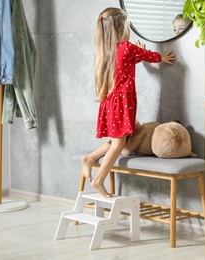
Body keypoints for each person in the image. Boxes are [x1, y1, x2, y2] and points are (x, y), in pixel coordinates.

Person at [81, 7, 176, 198]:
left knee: (120, 139)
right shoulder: (126, 47)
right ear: (121, 27)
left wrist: (139, 51)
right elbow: (148, 56)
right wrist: (162, 58)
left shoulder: (107, 51)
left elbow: (128, 64)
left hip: (110, 101)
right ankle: (99, 180)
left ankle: (90, 157)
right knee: (118, 144)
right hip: (121, 103)